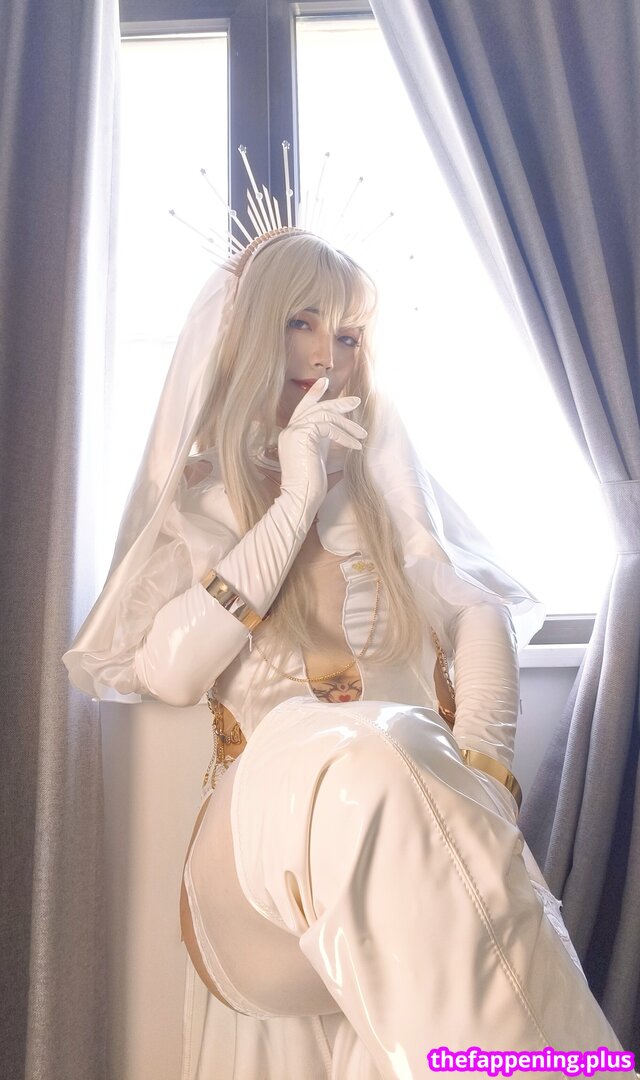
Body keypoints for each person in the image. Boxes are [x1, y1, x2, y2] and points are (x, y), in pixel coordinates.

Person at [64, 228, 628, 1079]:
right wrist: (293, 501)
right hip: (255, 868)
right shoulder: (198, 504)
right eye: (302, 321)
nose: (327, 353)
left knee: (408, 773)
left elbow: (479, 612)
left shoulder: (387, 502)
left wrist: (481, 779)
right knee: (373, 741)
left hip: (395, 826)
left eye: (351, 334)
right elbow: (170, 674)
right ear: (251, 331)